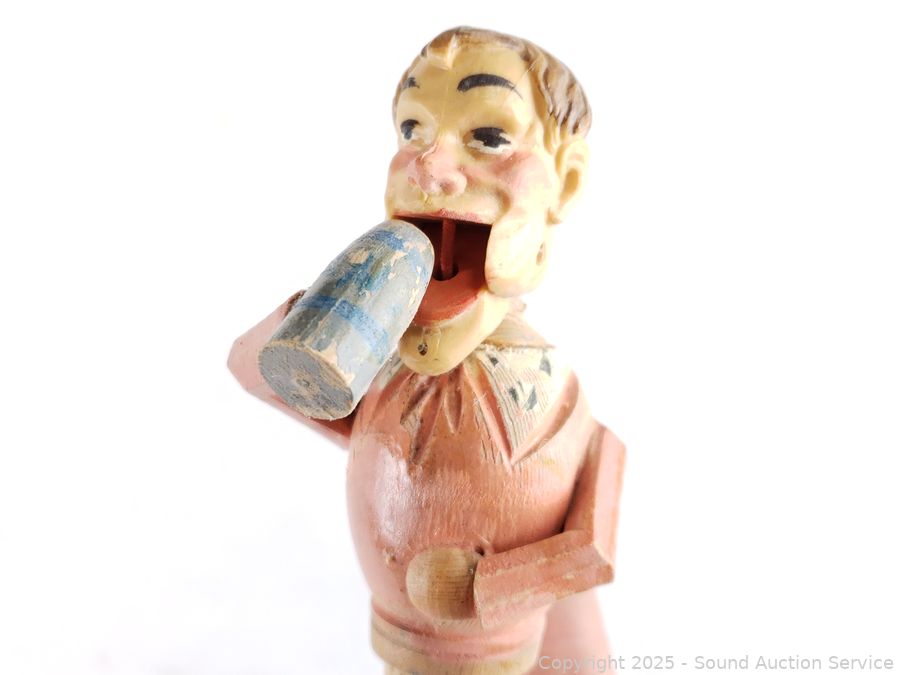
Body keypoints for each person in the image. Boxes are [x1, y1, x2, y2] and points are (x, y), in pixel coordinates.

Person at [228, 26, 625, 675]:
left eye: (489, 135)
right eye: (412, 130)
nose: (428, 168)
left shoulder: (553, 392)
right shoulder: (384, 371)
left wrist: (487, 588)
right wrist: (328, 313)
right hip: (400, 649)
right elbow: (253, 369)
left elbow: (591, 547)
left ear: (568, 181)